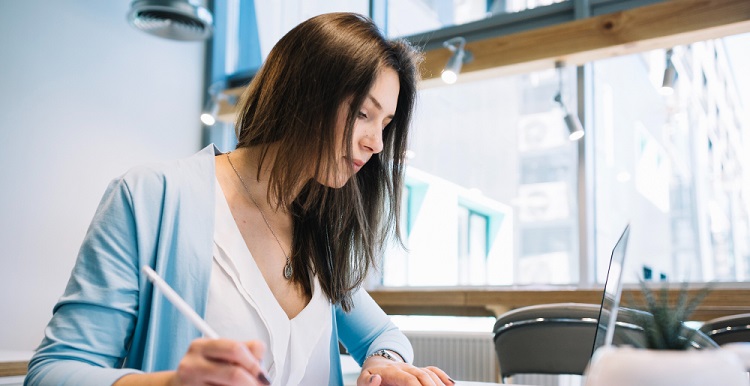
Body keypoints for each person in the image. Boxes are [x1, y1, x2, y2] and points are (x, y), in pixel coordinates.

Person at [25, 12, 455, 386]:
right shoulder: (149, 200)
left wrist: (385, 365)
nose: (377, 144)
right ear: (303, 93)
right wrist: (171, 383)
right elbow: (54, 371)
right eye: (363, 113)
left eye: (386, 123)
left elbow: (383, 336)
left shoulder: (318, 228)